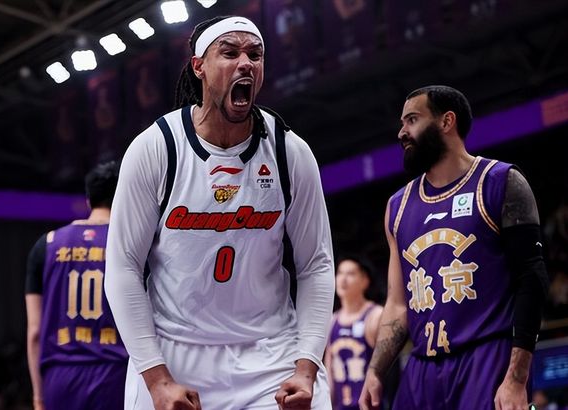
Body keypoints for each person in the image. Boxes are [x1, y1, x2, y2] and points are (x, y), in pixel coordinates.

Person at [105, 15, 335, 410]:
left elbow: (316, 264)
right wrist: (157, 380)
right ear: (198, 66)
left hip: (270, 354)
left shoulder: (289, 151)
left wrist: (307, 366)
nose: (246, 63)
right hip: (175, 353)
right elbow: (123, 266)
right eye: (229, 53)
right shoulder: (156, 147)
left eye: (255, 55)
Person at [359, 85, 549, 410]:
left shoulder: (500, 181)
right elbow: (398, 303)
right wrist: (376, 371)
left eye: (412, 120)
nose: (402, 132)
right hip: (422, 367)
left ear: (447, 121)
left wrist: (516, 377)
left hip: (487, 358)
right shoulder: (397, 206)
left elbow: (532, 279)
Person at [25, 161, 127, 410]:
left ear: (88, 200)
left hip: (60, 377)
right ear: (124, 197)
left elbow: (35, 332)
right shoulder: (130, 243)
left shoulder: (46, 244)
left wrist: (38, 396)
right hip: (117, 374)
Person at [325, 256, 382, 410]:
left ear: (365, 281)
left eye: (350, 274)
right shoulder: (332, 321)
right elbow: (329, 373)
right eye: (340, 273)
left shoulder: (376, 315)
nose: (343, 279)